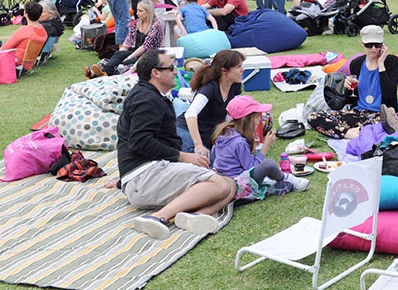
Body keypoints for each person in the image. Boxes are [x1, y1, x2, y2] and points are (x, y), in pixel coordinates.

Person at [117, 49, 236, 240]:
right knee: (219, 184)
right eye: (171, 68)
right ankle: (158, 217)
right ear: (155, 73)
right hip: (144, 177)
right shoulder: (146, 99)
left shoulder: (151, 96)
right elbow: (139, 142)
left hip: (149, 173)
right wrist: (183, 156)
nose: (175, 72)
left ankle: (195, 216)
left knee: (230, 184)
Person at [307, 25, 398, 139]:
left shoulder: (391, 62)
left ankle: (354, 132)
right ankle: (352, 134)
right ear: (362, 43)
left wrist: (381, 64)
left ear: (383, 45)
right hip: (358, 113)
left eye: (377, 45)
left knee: (382, 126)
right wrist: (348, 88)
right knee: (313, 117)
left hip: (382, 116)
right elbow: (350, 100)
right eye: (369, 45)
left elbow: (390, 92)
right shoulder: (356, 64)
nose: (373, 49)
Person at [212, 95, 308, 200]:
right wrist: (266, 146)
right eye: (257, 116)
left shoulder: (224, 134)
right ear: (246, 119)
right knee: (269, 165)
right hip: (237, 185)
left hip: (221, 180)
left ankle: (275, 184)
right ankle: (289, 179)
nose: (259, 120)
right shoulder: (239, 143)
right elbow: (251, 168)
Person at [175, 49, 244, 155]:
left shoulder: (235, 85)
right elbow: (190, 113)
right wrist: (198, 145)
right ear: (224, 70)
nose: (242, 70)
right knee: (207, 162)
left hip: (209, 134)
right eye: (238, 67)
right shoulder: (210, 88)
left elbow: (230, 115)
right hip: (187, 131)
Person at [87, 0, 163, 78]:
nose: (137, 13)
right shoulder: (138, 23)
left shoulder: (156, 26)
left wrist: (129, 57)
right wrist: (120, 53)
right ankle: (104, 70)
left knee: (127, 62)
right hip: (134, 51)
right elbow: (128, 41)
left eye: (140, 11)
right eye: (137, 10)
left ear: (148, 12)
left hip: (148, 55)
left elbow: (144, 47)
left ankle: (102, 73)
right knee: (118, 54)